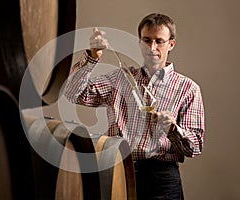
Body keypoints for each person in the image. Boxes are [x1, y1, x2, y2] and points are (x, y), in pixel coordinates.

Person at [64, 13, 205, 200]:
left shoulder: (188, 88)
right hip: (118, 171)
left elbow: (194, 147)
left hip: (161, 179)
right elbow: (73, 93)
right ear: (139, 42)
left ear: (171, 44)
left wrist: (173, 129)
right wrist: (92, 57)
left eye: (159, 41)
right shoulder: (120, 79)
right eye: (146, 40)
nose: (152, 47)